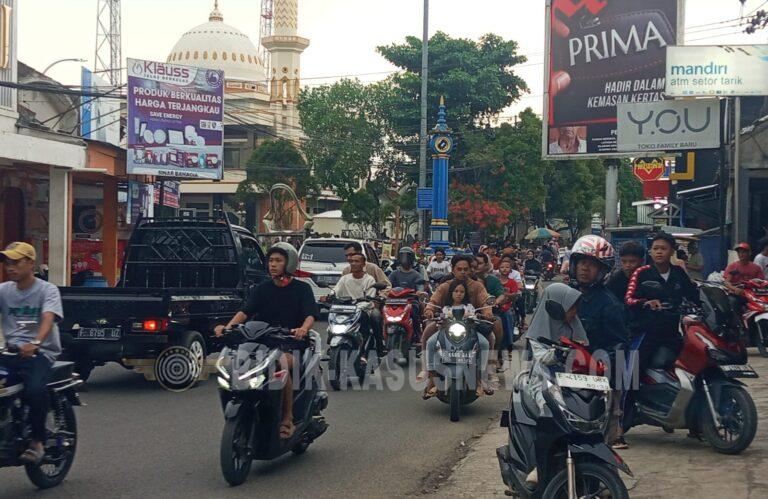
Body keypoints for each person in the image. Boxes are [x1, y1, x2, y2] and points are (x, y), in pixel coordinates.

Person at [215, 242, 318, 439]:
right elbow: (245, 312)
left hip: (289, 342)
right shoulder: (263, 288)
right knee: (236, 361)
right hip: (261, 341)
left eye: (278, 261)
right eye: (271, 260)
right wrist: (227, 328)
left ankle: (287, 419)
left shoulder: (302, 289)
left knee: (282, 364)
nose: (273, 264)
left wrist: (303, 329)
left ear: (289, 264)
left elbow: (310, 315)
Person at [0, 242, 64, 464]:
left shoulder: (47, 290)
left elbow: (48, 317)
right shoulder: (4, 290)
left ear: (30, 263)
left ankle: (37, 441)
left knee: (35, 389)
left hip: (40, 352)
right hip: (11, 352)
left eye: (16, 262)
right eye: (7, 262)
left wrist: (36, 342)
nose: (10, 267)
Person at [568, 235, 629, 449]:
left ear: (602, 271)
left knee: (601, 436)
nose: (585, 269)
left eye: (592, 265)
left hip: (594, 378)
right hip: (562, 372)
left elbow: (619, 344)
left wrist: (604, 366)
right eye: (582, 263)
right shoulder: (562, 295)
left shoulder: (609, 303)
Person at [523, 283, 586, 486]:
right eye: (571, 307)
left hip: (571, 379)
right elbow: (542, 358)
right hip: (543, 380)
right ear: (556, 307)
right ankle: (540, 467)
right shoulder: (539, 330)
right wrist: (559, 352)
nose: (575, 311)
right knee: (548, 411)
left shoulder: (575, 324)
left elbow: (584, 350)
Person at [625, 232, 700, 375]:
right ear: (651, 251)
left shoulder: (679, 272)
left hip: (672, 332)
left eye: (663, 248)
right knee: (630, 372)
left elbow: (694, 295)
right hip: (645, 333)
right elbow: (629, 299)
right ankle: (626, 397)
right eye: (655, 248)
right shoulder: (641, 273)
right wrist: (646, 303)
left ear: (672, 251)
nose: (659, 252)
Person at [421, 255, 495, 382]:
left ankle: (487, 370)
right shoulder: (445, 286)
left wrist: (487, 313)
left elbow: (484, 302)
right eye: (459, 269)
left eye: (466, 269)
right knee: (428, 334)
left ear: (471, 270)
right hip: (446, 323)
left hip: (472, 324)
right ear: (453, 270)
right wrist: (429, 310)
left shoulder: (477, 286)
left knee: (489, 339)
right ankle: (426, 369)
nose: (463, 272)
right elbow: (434, 300)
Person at [423, 280, 492, 399]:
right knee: (430, 342)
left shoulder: (470, 307)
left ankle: (480, 378)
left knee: (484, 343)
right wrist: (437, 316)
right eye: (456, 291)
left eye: (462, 291)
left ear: (465, 293)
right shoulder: (446, 308)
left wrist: (477, 317)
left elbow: (476, 318)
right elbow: (439, 318)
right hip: (446, 334)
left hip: (469, 334)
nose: (459, 294)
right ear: (451, 293)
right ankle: (432, 377)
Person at [474, 252, 509, 370]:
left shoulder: (493, 280)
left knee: (497, 323)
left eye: (479, 263)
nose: (476, 266)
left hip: (487, 313)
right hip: (465, 313)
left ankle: (494, 354)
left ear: (486, 265)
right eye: (474, 263)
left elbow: (501, 295)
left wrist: (496, 302)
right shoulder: (465, 278)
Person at [388, 247, 425, 342]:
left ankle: (417, 335)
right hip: (394, 301)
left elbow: (420, 286)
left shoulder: (416, 274)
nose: (405, 259)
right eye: (403, 256)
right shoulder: (394, 273)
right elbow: (387, 285)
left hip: (410, 301)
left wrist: (419, 292)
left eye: (407, 257)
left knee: (414, 312)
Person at [724, 243, 765, 321]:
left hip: (752, 295)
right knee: (733, 302)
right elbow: (727, 282)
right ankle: (740, 326)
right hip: (737, 295)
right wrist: (734, 289)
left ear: (749, 253)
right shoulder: (733, 266)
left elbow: (761, 282)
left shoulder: (756, 268)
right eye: (739, 252)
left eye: (743, 252)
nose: (741, 254)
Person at [498, 259, 521, 354]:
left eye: (507, 267)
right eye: (502, 267)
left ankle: (509, 342)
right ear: (499, 269)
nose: (504, 269)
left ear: (510, 270)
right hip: (496, 306)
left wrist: (506, 295)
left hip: (507, 307)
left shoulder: (512, 282)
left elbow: (515, 295)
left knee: (508, 317)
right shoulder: (495, 281)